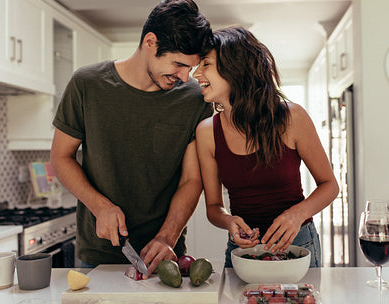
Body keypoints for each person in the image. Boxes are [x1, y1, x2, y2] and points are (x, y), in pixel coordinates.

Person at [50, 0, 213, 275]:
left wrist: (168, 237)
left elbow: (191, 179)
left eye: (191, 67)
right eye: (178, 64)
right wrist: (100, 206)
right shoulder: (86, 84)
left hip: (164, 255)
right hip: (97, 254)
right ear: (150, 42)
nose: (186, 77)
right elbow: (60, 157)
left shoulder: (194, 100)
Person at [193, 26, 339, 268]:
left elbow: (330, 185)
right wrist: (229, 221)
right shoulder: (207, 131)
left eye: (205, 64)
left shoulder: (292, 118)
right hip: (242, 251)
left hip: (299, 244)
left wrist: (297, 215)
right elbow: (213, 206)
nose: (196, 74)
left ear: (234, 68)